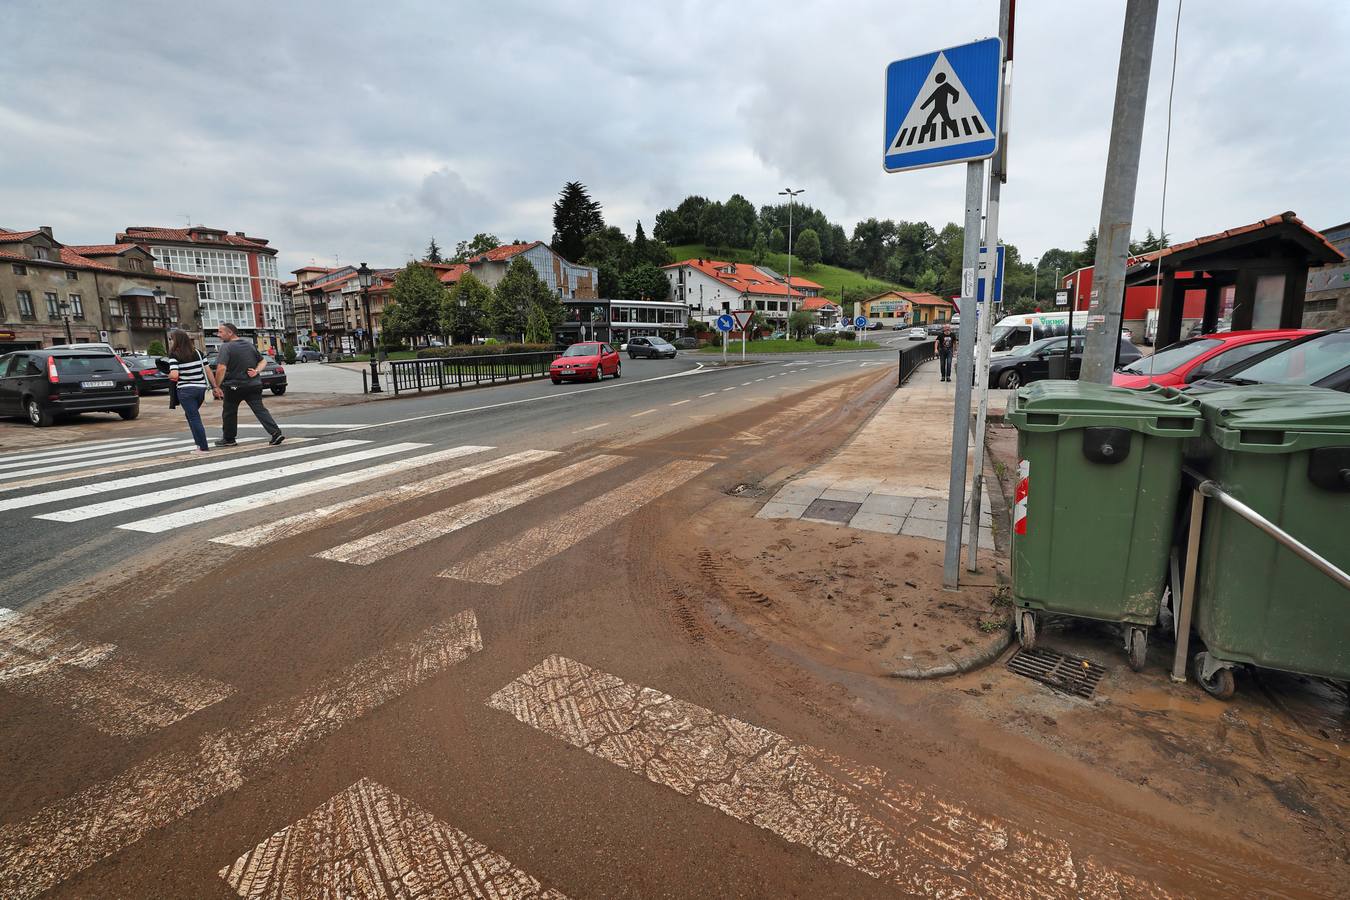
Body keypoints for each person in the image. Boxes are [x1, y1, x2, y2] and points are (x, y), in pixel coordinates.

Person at [211, 322, 284, 448]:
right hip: (253, 385)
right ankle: (275, 433)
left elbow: (221, 368)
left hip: (234, 386)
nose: (219, 335)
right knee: (260, 410)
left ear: (230, 333)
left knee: (229, 412)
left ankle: (229, 439)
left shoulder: (226, 347)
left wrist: (216, 386)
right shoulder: (249, 344)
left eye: (220, 332)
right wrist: (256, 371)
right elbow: (263, 360)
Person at [166, 328, 215, 453]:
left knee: (194, 417)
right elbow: (208, 371)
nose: (171, 342)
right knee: (190, 416)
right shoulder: (198, 353)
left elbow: (175, 375)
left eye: (171, 339)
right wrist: (215, 386)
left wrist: (169, 374)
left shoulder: (174, 355)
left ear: (176, 341)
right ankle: (199, 445)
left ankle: (203, 447)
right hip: (201, 390)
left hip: (186, 390)